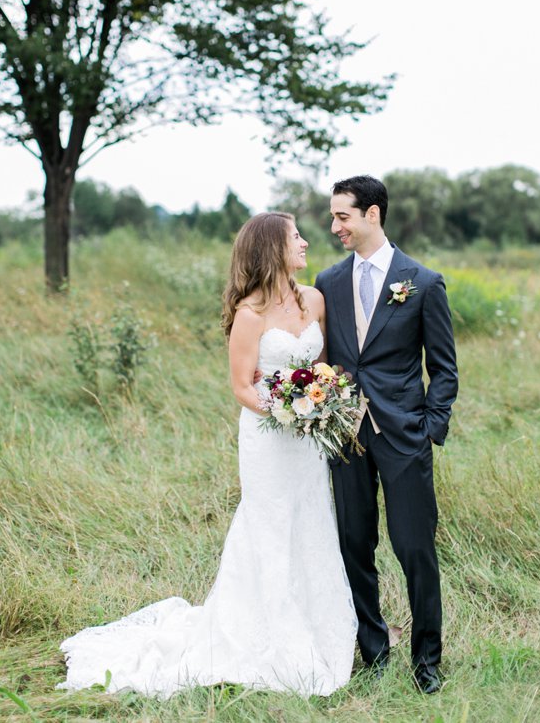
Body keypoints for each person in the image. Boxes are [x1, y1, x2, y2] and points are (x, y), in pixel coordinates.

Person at [60, 212, 356, 699]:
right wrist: (287, 409)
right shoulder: (250, 314)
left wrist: (322, 401)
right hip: (269, 436)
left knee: (310, 519)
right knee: (269, 523)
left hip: (308, 441)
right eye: (295, 236)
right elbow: (242, 387)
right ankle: (268, 638)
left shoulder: (314, 300)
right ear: (271, 249)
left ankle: (318, 627)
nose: (305, 242)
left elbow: (321, 366)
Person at [317, 175, 456, 694]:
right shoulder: (328, 282)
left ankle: (427, 659)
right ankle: (373, 652)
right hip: (345, 439)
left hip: (404, 437)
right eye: (333, 217)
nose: (335, 227)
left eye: (342, 217)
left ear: (372, 214)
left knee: (414, 547)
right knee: (355, 544)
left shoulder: (422, 281)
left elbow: (443, 368)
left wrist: (429, 429)